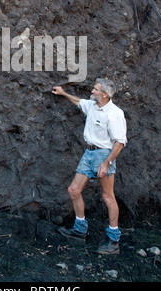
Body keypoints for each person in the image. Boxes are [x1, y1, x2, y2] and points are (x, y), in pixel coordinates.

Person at [52, 78, 127, 255]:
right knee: (74, 190)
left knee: (108, 196)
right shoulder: (93, 106)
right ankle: (79, 229)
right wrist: (63, 93)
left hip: (104, 154)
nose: (92, 91)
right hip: (89, 154)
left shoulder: (115, 113)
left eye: (95, 89)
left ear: (105, 94)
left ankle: (113, 240)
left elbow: (119, 142)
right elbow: (79, 102)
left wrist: (106, 163)